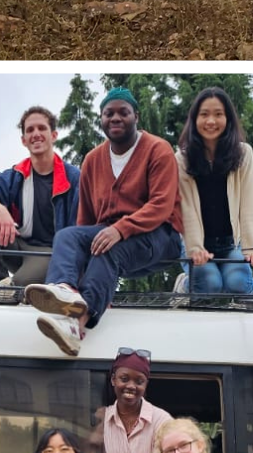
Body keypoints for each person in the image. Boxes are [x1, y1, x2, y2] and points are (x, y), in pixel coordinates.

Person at [23, 87, 184, 355]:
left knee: (108, 250)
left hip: (160, 234)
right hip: (110, 233)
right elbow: (86, 218)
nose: (116, 118)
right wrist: (83, 261)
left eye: (124, 112)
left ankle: (77, 324)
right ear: (101, 119)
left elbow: (161, 205)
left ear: (136, 116)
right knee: (68, 235)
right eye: (109, 113)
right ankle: (64, 290)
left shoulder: (158, 149)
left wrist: (120, 230)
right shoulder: (93, 160)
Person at [0, 105, 82, 288]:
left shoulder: (73, 178)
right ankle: (1, 283)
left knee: (22, 286)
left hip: (52, 253)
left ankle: (11, 287)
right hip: (19, 246)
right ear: (24, 140)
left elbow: (81, 227)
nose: (36, 134)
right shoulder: (17, 175)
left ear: (53, 135)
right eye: (30, 130)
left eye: (42, 128)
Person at [174, 87, 253, 297]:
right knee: (210, 285)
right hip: (195, 241)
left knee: (239, 284)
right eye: (204, 114)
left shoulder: (243, 153)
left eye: (218, 114)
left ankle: (237, 293)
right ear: (194, 119)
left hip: (230, 241)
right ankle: (185, 284)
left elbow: (248, 202)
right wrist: (195, 248)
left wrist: (252, 250)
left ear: (228, 118)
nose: (211, 121)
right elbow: (186, 207)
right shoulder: (182, 158)